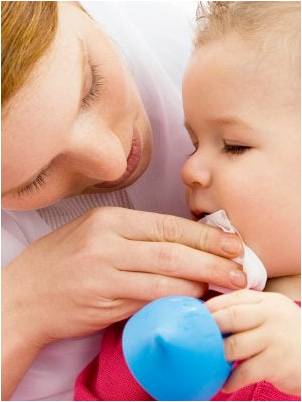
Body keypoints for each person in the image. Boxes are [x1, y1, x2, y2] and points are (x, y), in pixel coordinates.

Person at [1, 1, 247, 400]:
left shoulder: (212, 33)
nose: (115, 162)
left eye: (90, 88)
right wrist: (20, 307)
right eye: (36, 178)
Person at [74, 1, 301, 400]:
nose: (190, 169)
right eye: (194, 144)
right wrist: (147, 350)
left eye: (233, 146)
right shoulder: (173, 304)